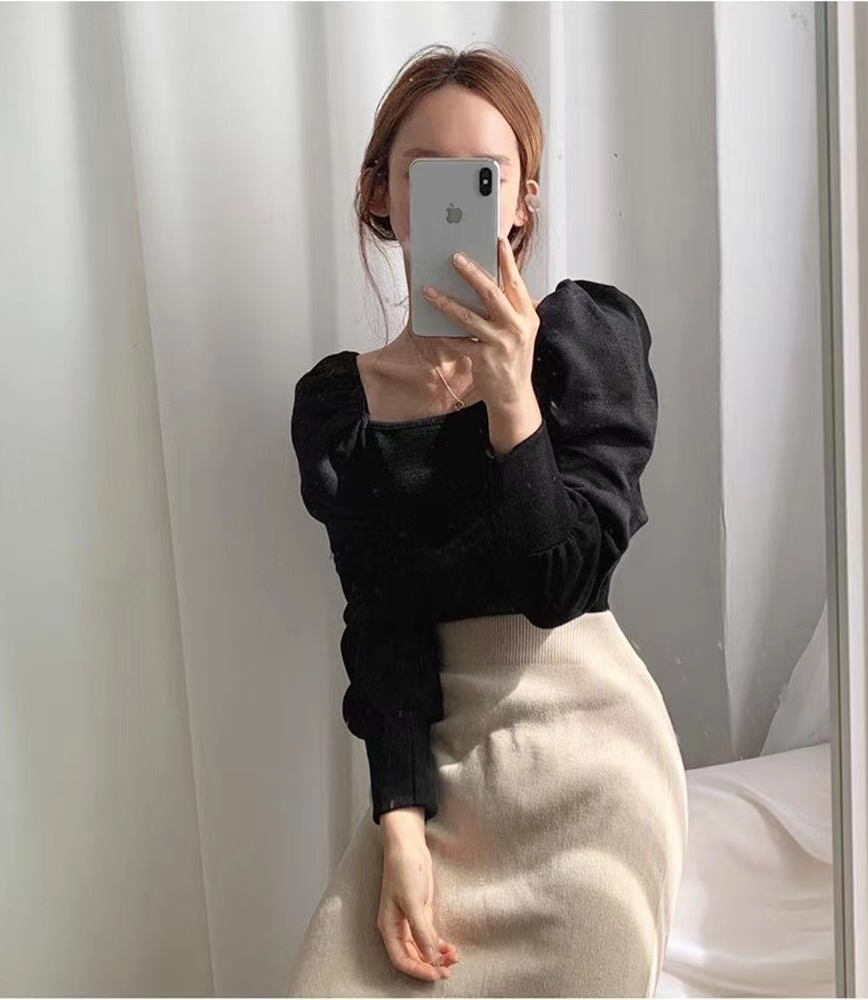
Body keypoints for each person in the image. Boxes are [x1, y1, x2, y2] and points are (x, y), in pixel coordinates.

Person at [287, 42, 688, 998]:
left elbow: (562, 585)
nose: (453, 201)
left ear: (521, 203)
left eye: (483, 177)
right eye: (424, 174)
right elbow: (382, 626)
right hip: (442, 764)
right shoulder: (342, 407)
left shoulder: (584, 341)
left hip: (593, 756)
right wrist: (400, 827)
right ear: (380, 194)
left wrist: (513, 401)